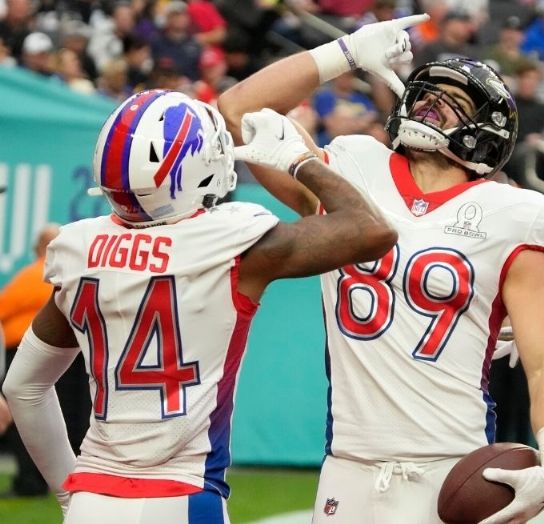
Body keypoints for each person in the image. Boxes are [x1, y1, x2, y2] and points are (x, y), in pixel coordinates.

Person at [216, 14, 544, 524]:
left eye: (455, 102)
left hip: (453, 469)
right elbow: (237, 109)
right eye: (429, 93)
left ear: (488, 132)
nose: (432, 105)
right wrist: (342, 53)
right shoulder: (353, 164)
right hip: (349, 467)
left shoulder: (516, 213)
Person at [2, 90, 396, 521]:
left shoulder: (76, 248)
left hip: (94, 497)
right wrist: (299, 162)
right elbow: (372, 230)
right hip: (183, 493)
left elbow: (24, 387)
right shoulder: (232, 241)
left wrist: (68, 492)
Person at [0, 224, 67, 497]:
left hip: (28, 353)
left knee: (26, 416)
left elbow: (2, 308)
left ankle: (31, 482)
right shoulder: (64, 274)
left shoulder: (35, 275)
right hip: (64, 358)